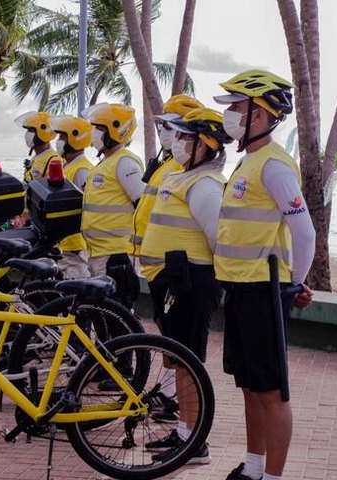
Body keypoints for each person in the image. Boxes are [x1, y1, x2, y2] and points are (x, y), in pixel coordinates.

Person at [213, 70, 315, 480]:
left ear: (259, 115)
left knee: (271, 391)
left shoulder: (274, 166)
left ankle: (272, 476)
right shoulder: (248, 161)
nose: (230, 114)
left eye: (237, 106)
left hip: (263, 288)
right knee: (250, 385)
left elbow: (304, 232)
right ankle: (253, 468)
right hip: (240, 288)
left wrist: (295, 283)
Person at [138, 107, 234, 465]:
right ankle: (183, 433)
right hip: (175, 280)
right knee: (180, 361)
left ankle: (194, 443)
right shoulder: (183, 176)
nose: (176, 141)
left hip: (192, 281)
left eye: (184, 136)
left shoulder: (205, 185)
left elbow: (219, 239)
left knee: (189, 362)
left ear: (204, 145)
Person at [131, 94, 203, 422]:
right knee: (167, 335)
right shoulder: (167, 165)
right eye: (163, 126)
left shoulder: (182, 170)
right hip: (155, 266)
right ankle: (170, 394)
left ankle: (175, 402)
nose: (164, 133)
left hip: (170, 268)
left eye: (173, 128)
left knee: (175, 340)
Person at [80, 103, 144, 308]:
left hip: (116, 255)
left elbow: (143, 204)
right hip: (99, 253)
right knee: (101, 313)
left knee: (116, 312)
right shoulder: (106, 163)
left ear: (116, 131)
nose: (94, 133)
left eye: (99, 128)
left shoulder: (125, 162)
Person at [49, 115, 94, 279]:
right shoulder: (67, 166)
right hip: (64, 241)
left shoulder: (82, 170)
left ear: (75, 139)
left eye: (63, 137)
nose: (59, 141)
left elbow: (86, 206)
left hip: (74, 244)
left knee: (77, 285)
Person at [15, 111, 62, 183]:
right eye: (28, 130)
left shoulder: (54, 160)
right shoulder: (36, 157)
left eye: (31, 130)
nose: (27, 134)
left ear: (43, 133)